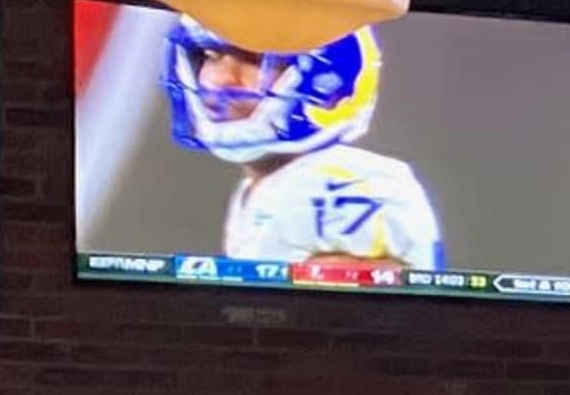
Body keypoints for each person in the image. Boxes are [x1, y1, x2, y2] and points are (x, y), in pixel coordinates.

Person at [165, 22, 443, 272]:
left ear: (328, 88)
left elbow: (350, 318)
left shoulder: (347, 183)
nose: (218, 80)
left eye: (255, 60)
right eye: (212, 56)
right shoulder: (268, 183)